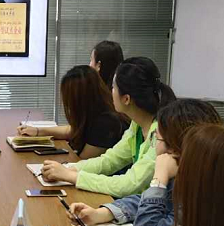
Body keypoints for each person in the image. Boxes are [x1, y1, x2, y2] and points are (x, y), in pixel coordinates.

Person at [66, 99, 221, 226]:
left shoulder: (200, 194)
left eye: (157, 139)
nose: (155, 146)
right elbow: (148, 200)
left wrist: (159, 180)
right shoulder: (188, 175)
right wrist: (104, 213)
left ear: (174, 149)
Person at [41, 57, 175, 198]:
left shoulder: (160, 134)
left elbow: (129, 185)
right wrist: (69, 168)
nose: (111, 92)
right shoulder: (137, 125)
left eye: (113, 87)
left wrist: (72, 176)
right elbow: (110, 160)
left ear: (126, 99)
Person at [16, 65, 128, 159]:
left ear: (78, 100)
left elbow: (81, 163)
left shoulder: (106, 123)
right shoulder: (97, 113)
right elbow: (72, 130)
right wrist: (37, 131)